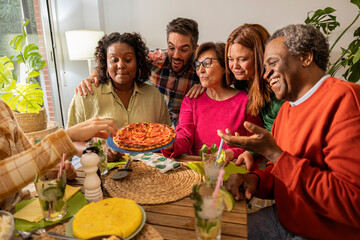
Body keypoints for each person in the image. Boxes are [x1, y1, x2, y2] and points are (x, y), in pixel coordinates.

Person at [218, 24, 360, 239]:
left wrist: (274, 153)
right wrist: (254, 181)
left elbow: (352, 203)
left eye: (272, 63)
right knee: (219, 231)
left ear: (305, 57)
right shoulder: (285, 110)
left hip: (326, 232)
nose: (266, 75)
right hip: (285, 218)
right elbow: (282, 173)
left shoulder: (345, 99)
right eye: (264, 67)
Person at [75, 18, 202, 126]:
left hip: (185, 127)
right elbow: (119, 58)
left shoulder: (201, 68)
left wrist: (204, 85)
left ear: (194, 49)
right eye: (171, 48)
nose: (176, 55)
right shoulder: (157, 58)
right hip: (154, 123)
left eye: (183, 50)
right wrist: (92, 76)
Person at [0, 98, 118, 209]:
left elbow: (34, 166)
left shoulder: (2, 108)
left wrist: (53, 171)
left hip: (26, 207)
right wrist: (66, 137)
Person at [67, 32, 171, 155]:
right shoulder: (86, 94)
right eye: (114, 60)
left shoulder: (153, 95)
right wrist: (98, 152)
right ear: (106, 63)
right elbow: (69, 143)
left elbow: (166, 139)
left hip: (150, 169)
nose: (121, 65)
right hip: (102, 170)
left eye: (128, 60)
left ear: (138, 62)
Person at [161, 42, 263, 162]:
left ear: (225, 67)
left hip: (234, 170)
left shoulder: (246, 100)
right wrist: (170, 144)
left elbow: (257, 144)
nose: (201, 70)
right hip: (197, 170)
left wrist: (231, 153)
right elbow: (185, 137)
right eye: (198, 65)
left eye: (207, 63)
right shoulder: (191, 100)